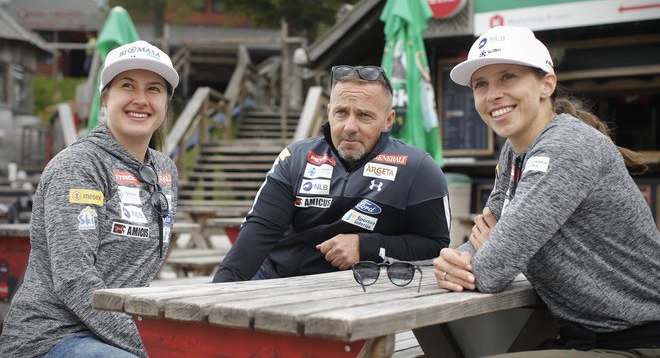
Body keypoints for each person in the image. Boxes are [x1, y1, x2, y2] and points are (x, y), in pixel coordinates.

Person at [433, 25, 660, 357]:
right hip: (581, 337)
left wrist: (488, 251)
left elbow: (492, 270)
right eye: (480, 84)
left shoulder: (568, 144)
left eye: (507, 77)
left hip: (638, 341)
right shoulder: (514, 152)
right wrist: (452, 261)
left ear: (547, 84)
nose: (492, 94)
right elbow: (483, 243)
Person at [0, 40, 180, 358]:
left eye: (154, 89)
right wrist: (149, 345)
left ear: (166, 103)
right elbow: (74, 278)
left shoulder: (164, 170)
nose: (141, 99)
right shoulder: (79, 165)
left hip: (115, 333)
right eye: (128, 86)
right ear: (105, 97)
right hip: (49, 338)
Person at [213, 65, 450, 282]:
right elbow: (257, 235)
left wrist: (366, 246)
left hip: (361, 294)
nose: (349, 127)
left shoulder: (418, 168)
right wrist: (215, 297)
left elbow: (435, 246)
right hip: (279, 280)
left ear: (388, 121)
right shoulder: (296, 157)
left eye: (364, 115)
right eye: (341, 113)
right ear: (328, 112)